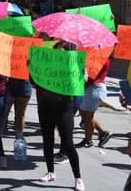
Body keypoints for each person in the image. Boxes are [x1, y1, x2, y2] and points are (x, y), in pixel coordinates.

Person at [32, 41, 85, 191]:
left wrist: (82, 74)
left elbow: (79, 87)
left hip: (65, 108)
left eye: (61, 53)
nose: (58, 56)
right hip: (47, 106)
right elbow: (34, 82)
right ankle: (50, 172)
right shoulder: (46, 66)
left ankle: (78, 178)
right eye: (55, 53)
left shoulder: (75, 66)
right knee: (47, 140)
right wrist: (32, 68)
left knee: (68, 143)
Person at [76, 59, 112, 148]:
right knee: (84, 114)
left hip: (95, 88)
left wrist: (84, 67)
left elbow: (93, 73)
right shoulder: (91, 57)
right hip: (88, 88)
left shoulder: (102, 58)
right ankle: (103, 133)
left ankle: (88, 140)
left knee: (88, 116)